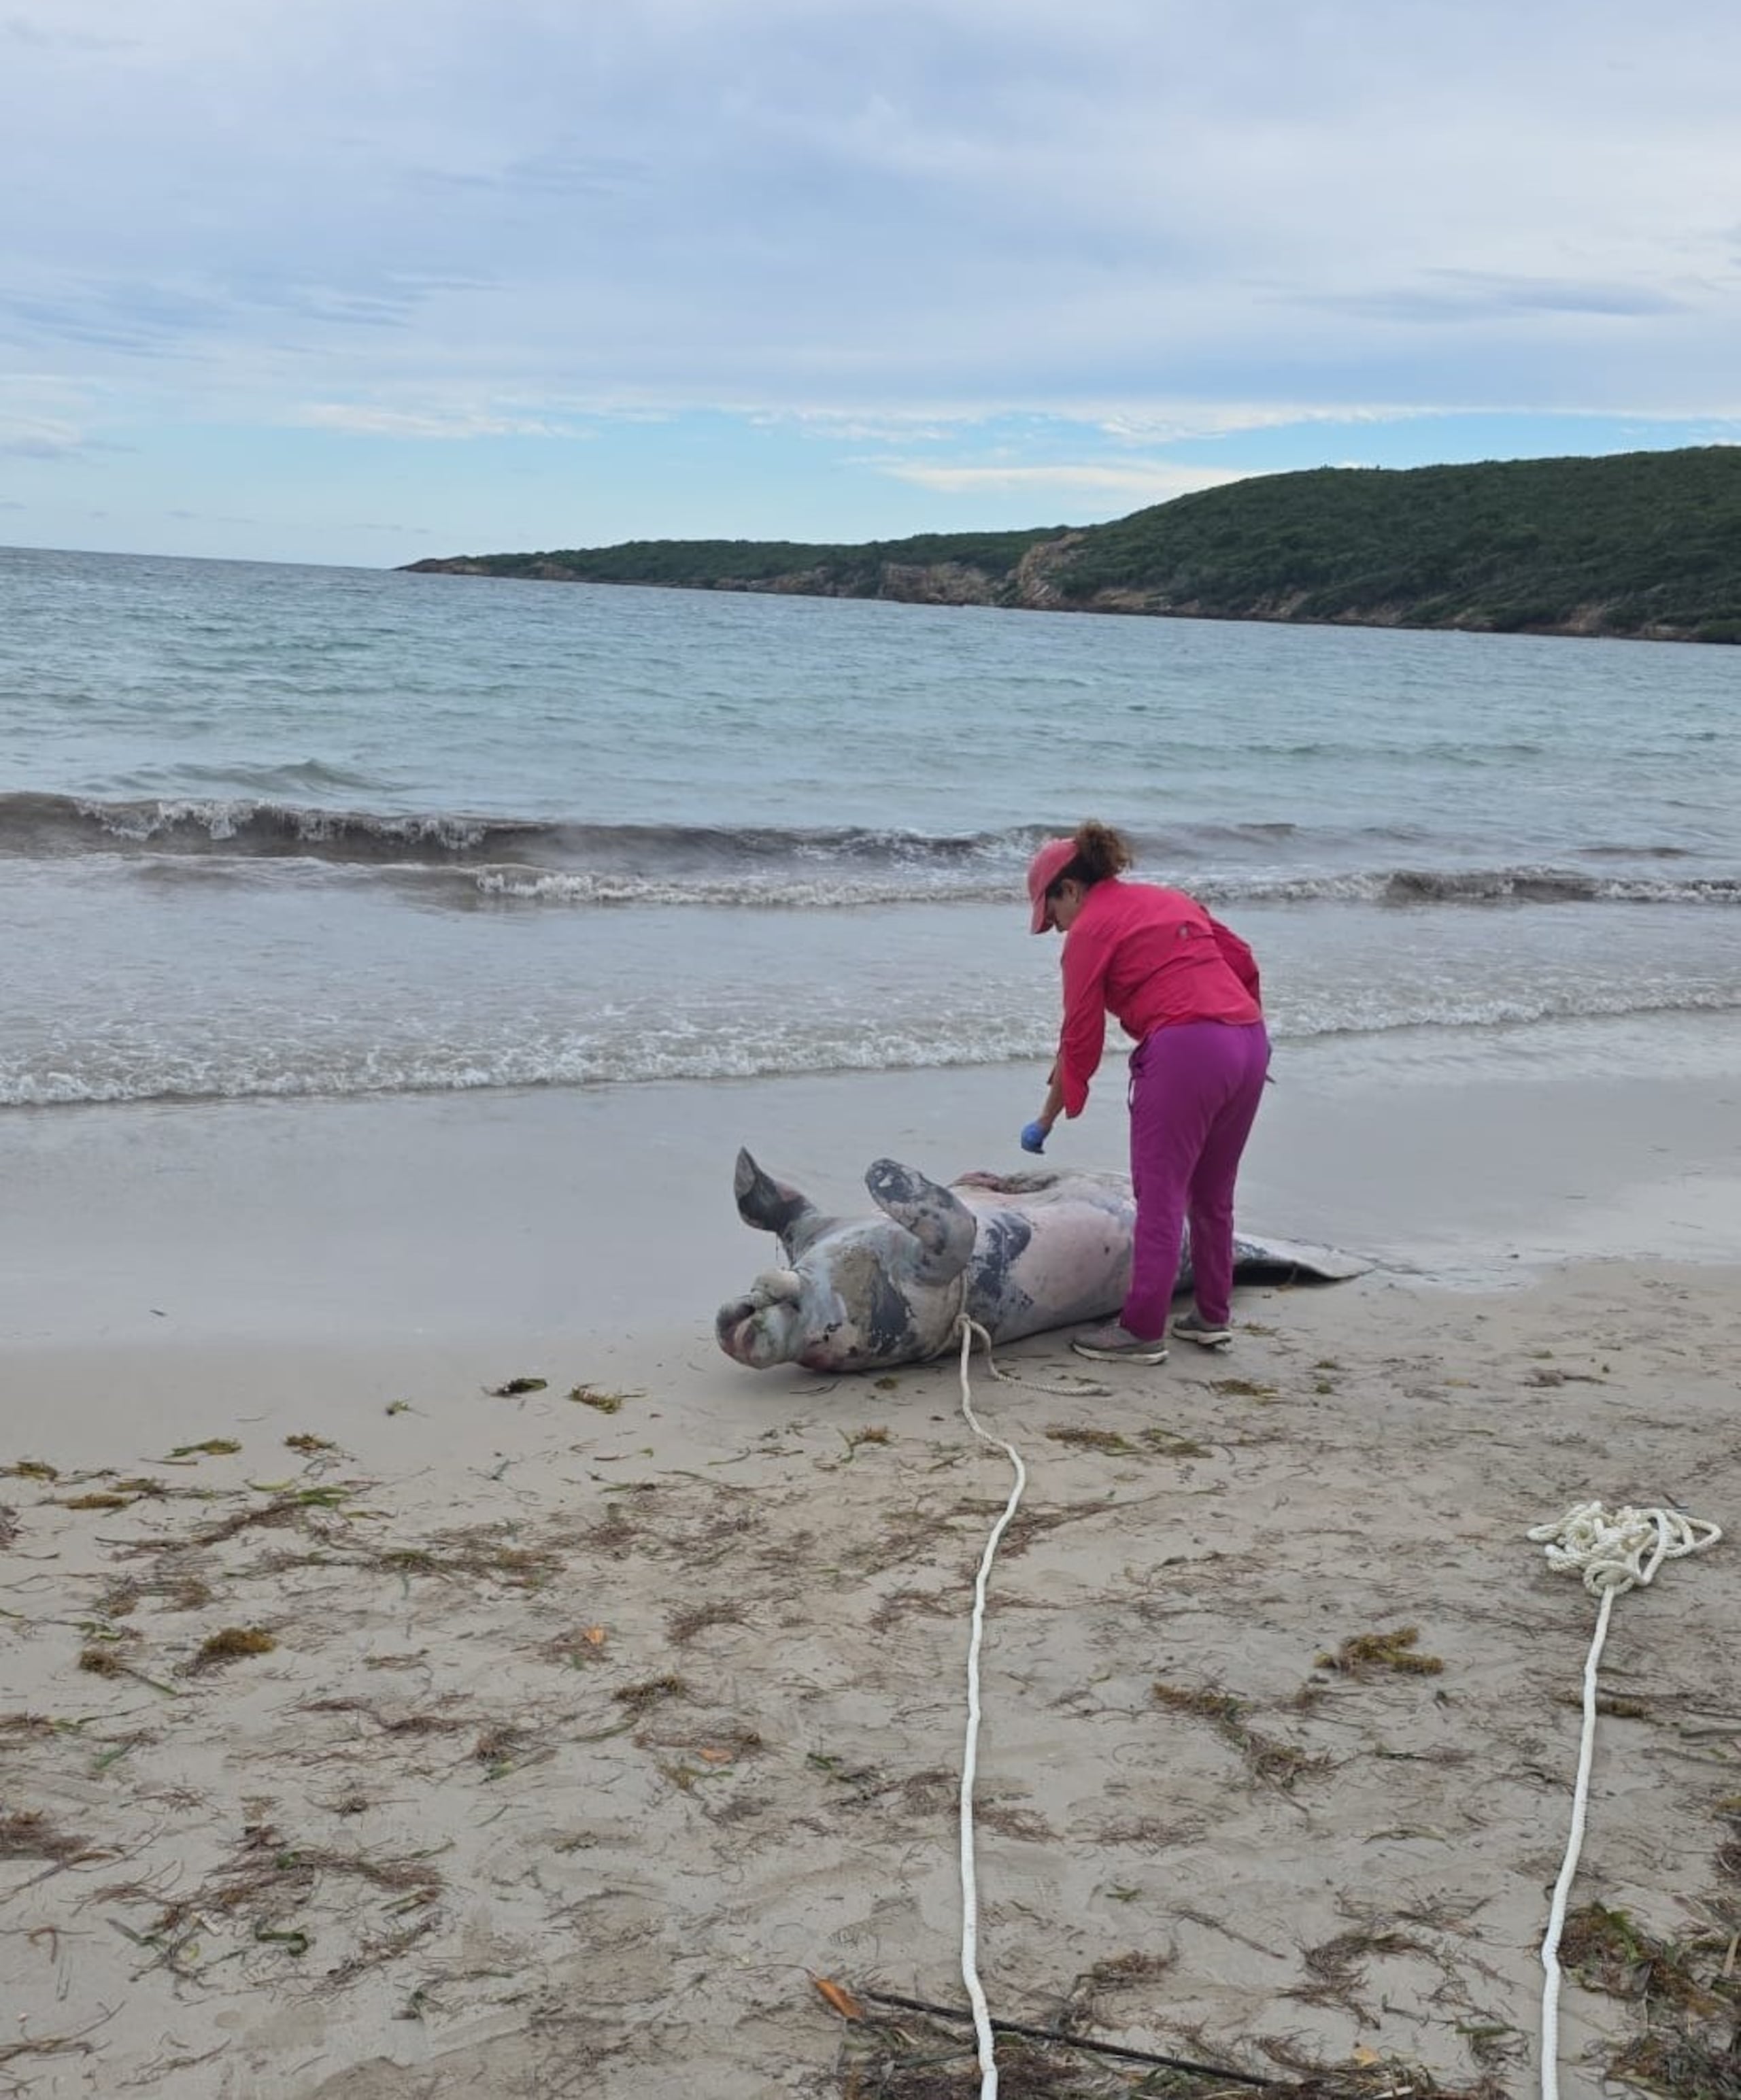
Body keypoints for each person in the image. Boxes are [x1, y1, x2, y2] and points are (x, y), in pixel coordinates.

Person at [1020, 822, 1268, 1365]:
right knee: (1213, 1191)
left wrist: (1047, 1118)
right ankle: (1211, 1316)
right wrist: (1239, 1043)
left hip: (1186, 1050)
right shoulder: (1167, 899)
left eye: (1052, 914)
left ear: (1070, 889)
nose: (1057, 929)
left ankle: (1141, 1330)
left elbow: (1078, 1037)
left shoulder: (1090, 931)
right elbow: (1242, 959)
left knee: (1160, 1193)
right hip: (1249, 1042)